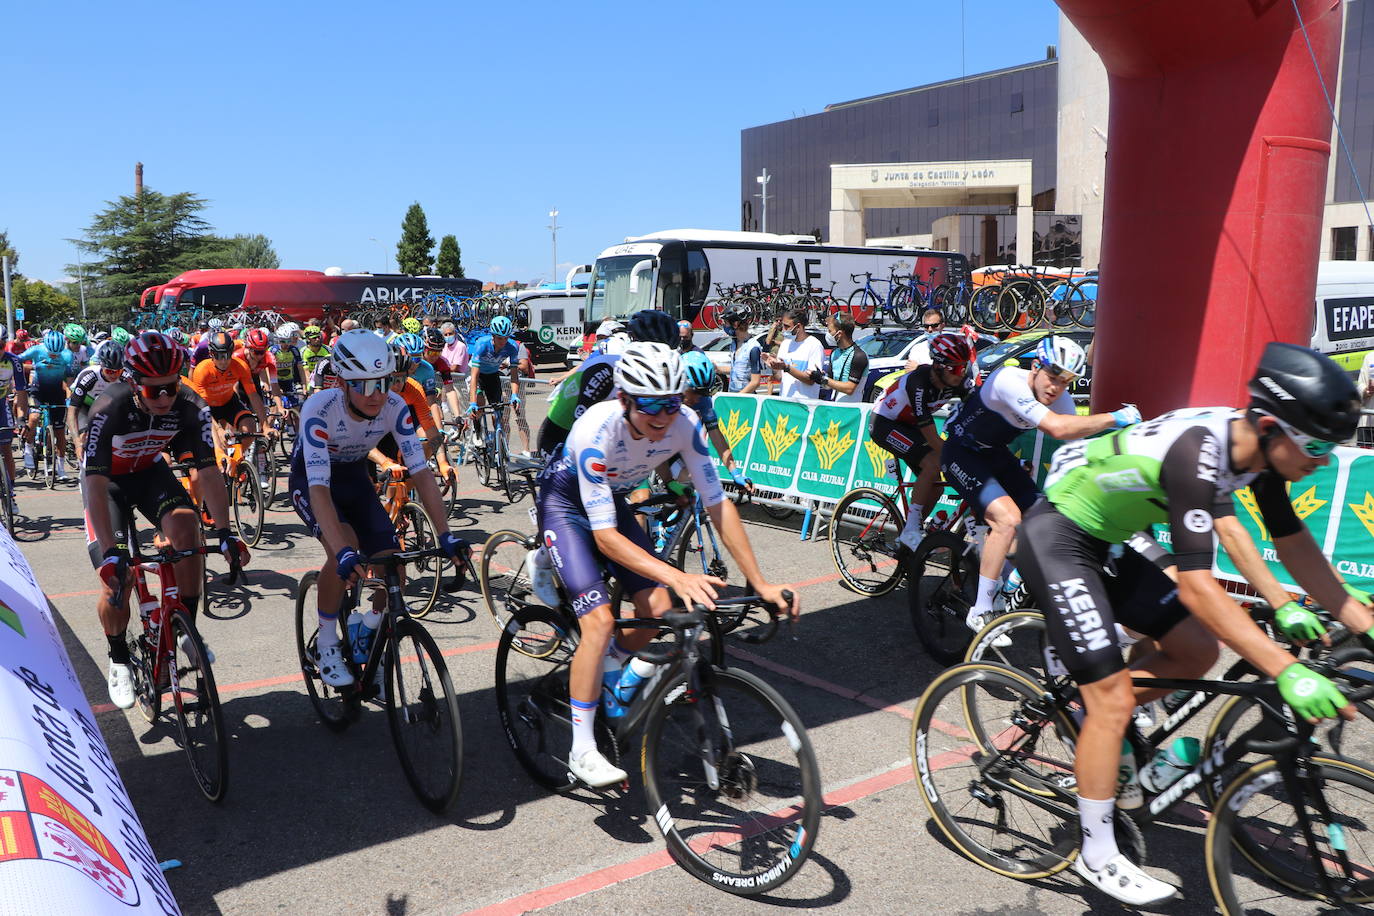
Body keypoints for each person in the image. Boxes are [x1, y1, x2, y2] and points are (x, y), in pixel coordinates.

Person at [1018, 342, 1374, 905]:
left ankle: (1103, 726)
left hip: (1111, 540)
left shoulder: (1254, 451)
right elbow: (1199, 586)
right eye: (1316, 447)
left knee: (1197, 650)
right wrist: (1284, 669)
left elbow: (1294, 544)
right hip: (1059, 535)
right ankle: (1098, 852)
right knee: (1112, 700)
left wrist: (1361, 622)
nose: (1324, 461)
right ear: (1270, 427)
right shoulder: (1199, 452)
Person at [534, 341, 798, 786]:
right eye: (650, 405)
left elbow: (718, 504)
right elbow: (606, 539)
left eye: (671, 403)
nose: (662, 416)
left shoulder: (685, 424)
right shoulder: (597, 430)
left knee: (657, 609)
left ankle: (607, 669)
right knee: (599, 622)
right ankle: (582, 749)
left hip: (610, 500)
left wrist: (760, 582)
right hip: (565, 504)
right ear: (624, 399)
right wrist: (677, 575)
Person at [288, 330, 470, 687]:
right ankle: (326, 643)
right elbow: (319, 488)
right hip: (312, 481)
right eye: (364, 385)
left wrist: (445, 534)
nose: (376, 394)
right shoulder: (319, 408)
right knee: (343, 546)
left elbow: (421, 473)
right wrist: (342, 550)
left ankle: (367, 629)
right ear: (342, 383)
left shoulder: (394, 406)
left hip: (354, 476)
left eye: (383, 382)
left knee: (393, 566)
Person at [84, 331, 247, 709]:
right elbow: (93, 483)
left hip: (149, 474)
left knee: (189, 530)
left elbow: (209, 472)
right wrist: (110, 552)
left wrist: (225, 533)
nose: (163, 398)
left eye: (171, 387)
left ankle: (184, 629)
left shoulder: (190, 405)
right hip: (107, 484)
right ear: (132, 382)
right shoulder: (108, 407)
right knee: (117, 579)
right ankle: (118, 658)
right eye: (153, 390)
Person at [941, 335, 1139, 632]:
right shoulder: (1008, 380)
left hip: (995, 454)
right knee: (1008, 520)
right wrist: (1115, 417)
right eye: (1053, 376)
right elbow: (1058, 428)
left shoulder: (1060, 399)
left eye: (1066, 382)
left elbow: (1078, 449)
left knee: (1046, 519)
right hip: (961, 451)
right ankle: (981, 610)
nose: (1056, 388)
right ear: (1035, 367)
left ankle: (1006, 579)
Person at [871, 333, 976, 550]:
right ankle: (911, 529)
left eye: (964, 367)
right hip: (885, 423)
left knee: (936, 488)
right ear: (938, 366)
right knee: (933, 462)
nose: (961, 373)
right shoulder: (919, 382)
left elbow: (979, 413)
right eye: (956, 368)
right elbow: (929, 433)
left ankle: (907, 542)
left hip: (908, 425)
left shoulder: (959, 381)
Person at [188, 331, 270, 458]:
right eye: (219, 356)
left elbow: (253, 395)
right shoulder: (202, 370)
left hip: (228, 402)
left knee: (250, 428)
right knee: (217, 446)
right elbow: (202, 406)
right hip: (208, 407)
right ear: (211, 354)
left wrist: (265, 426)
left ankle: (236, 459)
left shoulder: (240, 366)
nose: (224, 360)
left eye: (227, 355)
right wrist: (218, 429)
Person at [20, 329, 79, 482]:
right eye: (51, 353)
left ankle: (60, 467)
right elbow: (16, 361)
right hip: (38, 391)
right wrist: (33, 367)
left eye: (57, 354)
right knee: (34, 417)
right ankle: (28, 448)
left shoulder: (67, 355)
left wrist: (70, 397)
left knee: (60, 433)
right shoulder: (36, 350)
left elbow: (69, 378)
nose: (54, 356)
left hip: (56, 393)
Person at [67, 341, 126, 458]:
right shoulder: (89, 376)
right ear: (101, 365)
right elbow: (73, 410)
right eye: (109, 371)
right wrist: (77, 442)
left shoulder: (125, 377)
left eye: (118, 371)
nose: (114, 375)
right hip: (85, 405)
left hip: (108, 406)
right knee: (85, 437)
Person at [467, 316, 522, 433]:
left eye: (506, 338)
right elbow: (474, 377)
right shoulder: (482, 344)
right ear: (493, 336)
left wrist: (514, 395)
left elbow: (514, 375)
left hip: (492, 375)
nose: (503, 342)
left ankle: (498, 438)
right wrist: (473, 402)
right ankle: (477, 429)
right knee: (480, 402)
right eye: (499, 338)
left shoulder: (512, 347)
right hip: (477, 374)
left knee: (497, 412)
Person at [762, 309, 825, 399]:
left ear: (798, 326)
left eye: (787, 326)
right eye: (783, 326)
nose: (783, 330)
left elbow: (811, 380)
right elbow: (781, 377)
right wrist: (774, 366)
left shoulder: (814, 345)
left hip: (805, 404)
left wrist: (786, 367)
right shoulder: (785, 344)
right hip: (785, 401)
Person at [817, 311, 870, 402]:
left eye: (830, 331)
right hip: (835, 406)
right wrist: (818, 378)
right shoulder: (835, 352)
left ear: (840, 334)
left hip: (851, 408)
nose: (828, 334)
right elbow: (829, 386)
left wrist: (824, 379)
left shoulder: (859, 355)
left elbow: (849, 389)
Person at [0, 331, 26, 510]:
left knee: (6, 448)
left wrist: (22, 418)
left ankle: (10, 493)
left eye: (0, 346)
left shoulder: (14, 361)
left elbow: (22, 393)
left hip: (1, 406)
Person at [719, 304, 762, 394]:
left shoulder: (753, 348)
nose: (724, 326)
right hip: (734, 395)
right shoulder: (734, 343)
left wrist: (738, 397)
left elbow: (755, 382)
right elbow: (737, 370)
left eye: (726, 323)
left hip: (746, 398)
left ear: (735, 324)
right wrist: (716, 368)